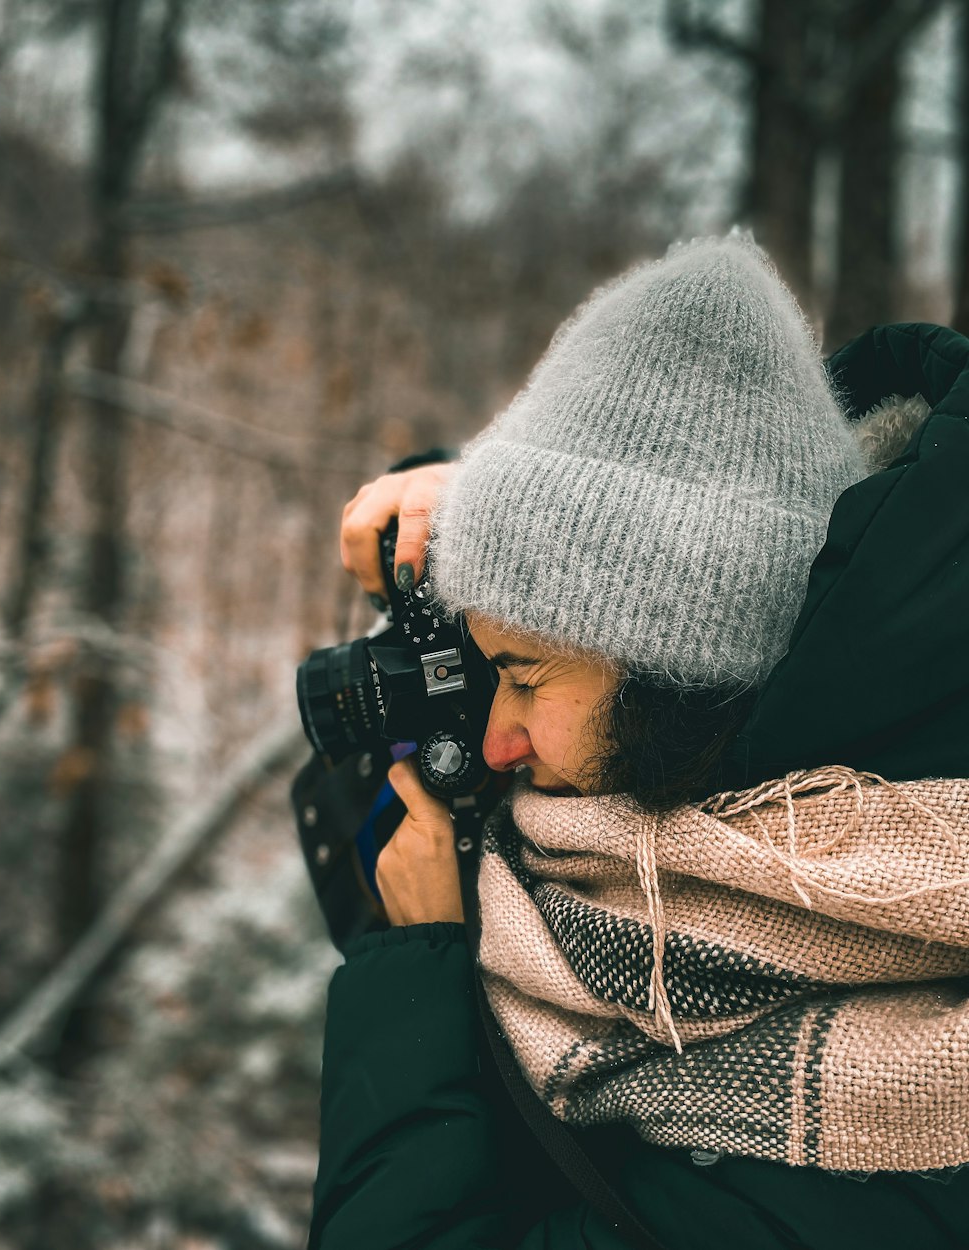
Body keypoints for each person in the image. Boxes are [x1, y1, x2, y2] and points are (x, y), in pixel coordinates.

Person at [308, 234, 969, 1250]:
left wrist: (413, 961)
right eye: (486, 672)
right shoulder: (673, 821)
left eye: (520, 674)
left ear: (681, 668)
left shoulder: (894, 1100)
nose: (492, 742)